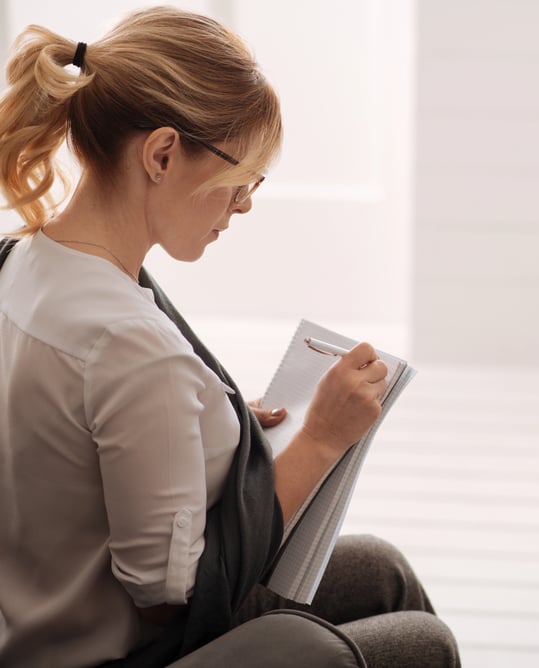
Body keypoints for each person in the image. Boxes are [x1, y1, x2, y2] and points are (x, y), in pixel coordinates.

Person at [0, 7, 459, 668]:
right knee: (427, 645)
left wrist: (204, 433)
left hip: (33, 623)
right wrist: (322, 438)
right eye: (238, 178)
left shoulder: (26, 262)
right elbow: (171, 600)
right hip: (120, 652)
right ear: (161, 154)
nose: (242, 204)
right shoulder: (133, 349)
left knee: (380, 571)